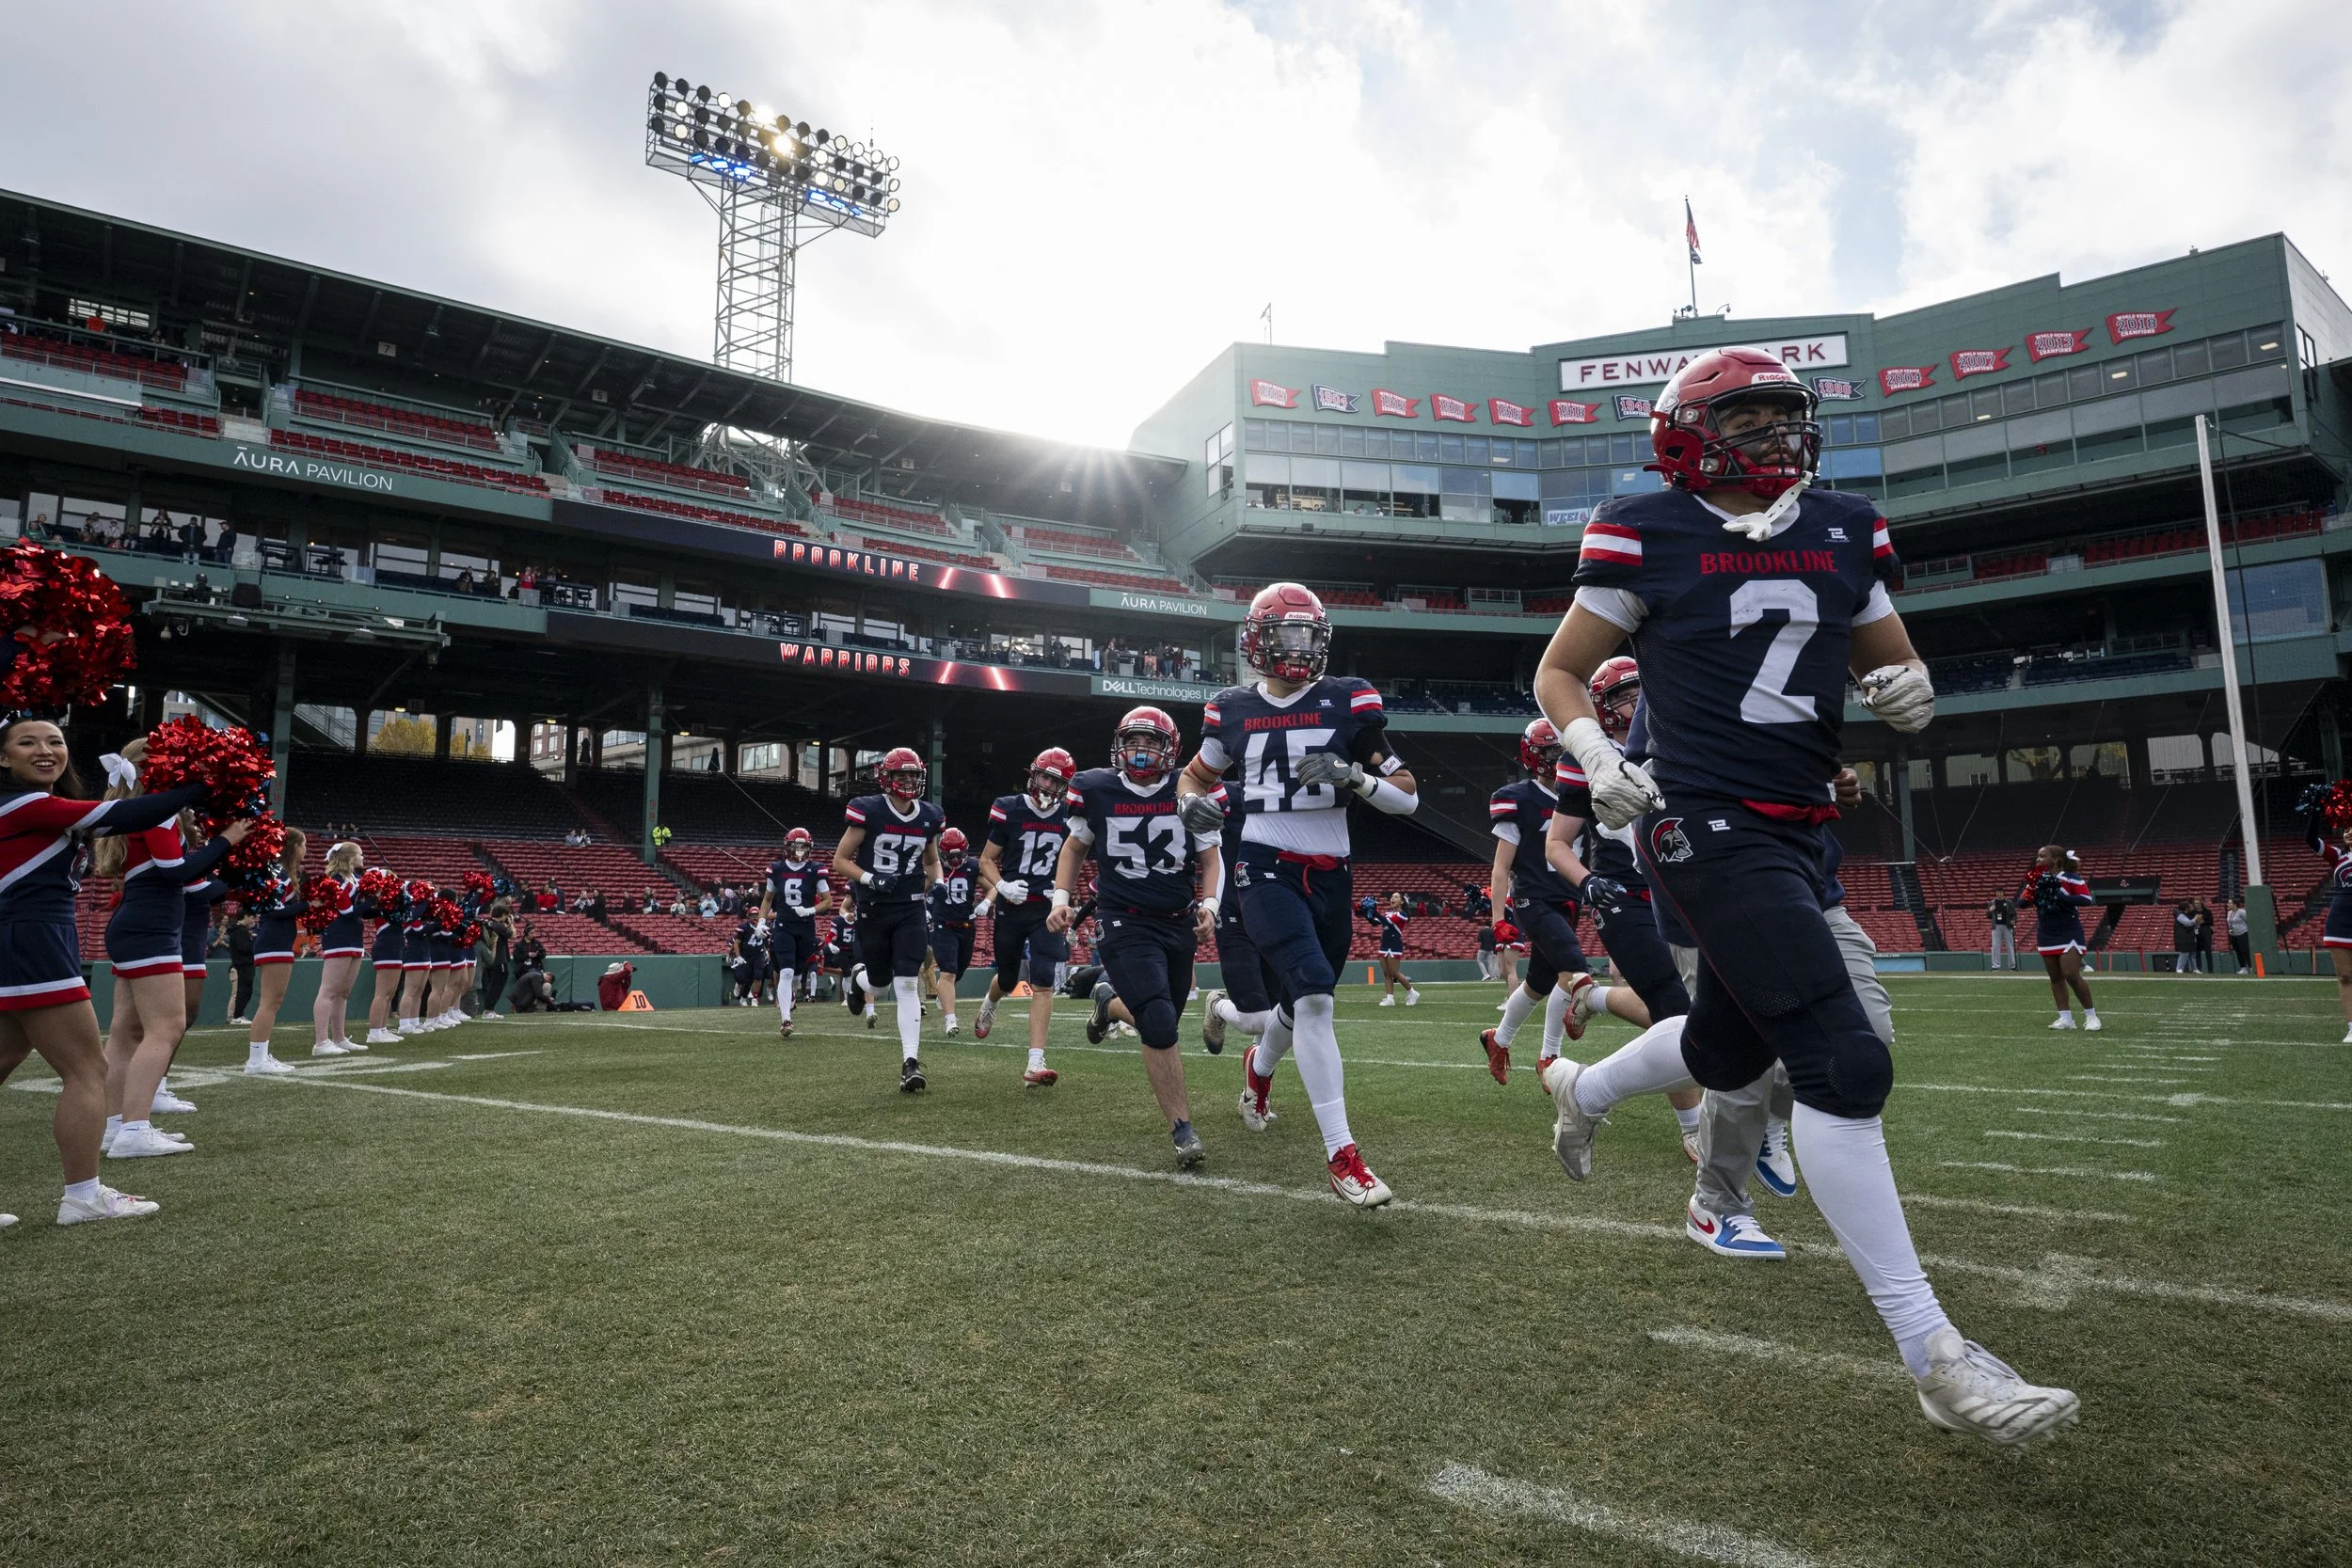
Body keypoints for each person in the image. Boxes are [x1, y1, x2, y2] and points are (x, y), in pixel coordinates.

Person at [1531, 345, 2076, 1443]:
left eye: (1789, 417)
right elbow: (1557, 671)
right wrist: (1593, 752)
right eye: (1753, 420)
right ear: (1689, 432)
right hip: (1699, 821)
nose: (1780, 437)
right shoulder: (1644, 524)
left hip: (1799, 825)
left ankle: (1582, 1089)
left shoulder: (1843, 523)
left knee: (1731, 1048)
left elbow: (1891, 662)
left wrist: (1908, 690)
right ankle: (1934, 1354)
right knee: (1843, 1058)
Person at [1176, 582, 1420, 1208]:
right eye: (1284, 634)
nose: (1296, 646)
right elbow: (1195, 778)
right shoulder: (1231, 707)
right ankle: (1344, 1157)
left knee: (1300, 1002)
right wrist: (1191, 808)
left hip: (1331, 872)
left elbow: (1408, 793)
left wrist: (1354, 775)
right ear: (1258, 640)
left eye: (1306, 634)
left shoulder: (1347, 698)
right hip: (1263, 865)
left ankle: (1256, 1069)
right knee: (1314, 996)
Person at [0, 717, 207, 1225]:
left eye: (55, 741)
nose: (45, 750)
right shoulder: (23, 802)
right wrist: (203, 782)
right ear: (3, 758)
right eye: (27, 742)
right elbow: (133, 812)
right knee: (87, 1070)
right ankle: (83, 1196)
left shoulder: (34, 806)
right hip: (33, 940)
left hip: (22, 938)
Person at [1542, 661, 1708, 1158]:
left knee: (1704, 1011)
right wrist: (1588, 882)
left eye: (1637, 692)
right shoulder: (1586, 757)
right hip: (1623, 897)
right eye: (1618, 698)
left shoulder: (1681, 741)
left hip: (1681, 891)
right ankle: (1693, 1127)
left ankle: (1593, 1000)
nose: (1632, 706)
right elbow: (1556, 844)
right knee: (1673, 1010)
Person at [1052, 706, 1221, 1168]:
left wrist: (1210, 905)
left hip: (1177, 918)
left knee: (1164, 1009)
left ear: (1172, 750)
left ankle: (1107, 1002)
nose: (1141, 751)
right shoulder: (1095, 787)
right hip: (1122, 917)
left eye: (1151, 743)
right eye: (1133, 741)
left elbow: (1209, 858)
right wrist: (1059, 898)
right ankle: (1182, 1128)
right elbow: (1074, 846)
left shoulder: (1191, 788)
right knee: (1161, 1022)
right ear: (1118, 745)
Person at [91, 746, 248, 1159]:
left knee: (127, 1034)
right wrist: (225, 841)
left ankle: (115, 1127)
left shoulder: (135, 808)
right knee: (165, 1028)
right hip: (151, 926)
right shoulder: (155, 811)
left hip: (135, 923)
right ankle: (134, 1130)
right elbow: (175, 872)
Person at [1480, 718, 1595, 1083]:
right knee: (1574, 969)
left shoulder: (1580, 794)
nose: (1557, 757)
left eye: (1561, 750)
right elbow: (1501, 868)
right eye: (1549, 751)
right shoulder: (1519, 798)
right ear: (1532, 756)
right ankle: (1549, 1057)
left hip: (1568, 898)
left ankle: (1498, 1038)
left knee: (1540, 983)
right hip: (1534, 898)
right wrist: (1498, 917)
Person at [830, 748, 945, 1091]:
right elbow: (840, 860)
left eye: (913, 775)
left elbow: (932, 860)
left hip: (910, 905)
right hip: (875, 907)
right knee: (879, 984)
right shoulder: (870, 809)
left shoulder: (929, 815)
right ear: (887, 778)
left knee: (907, 980)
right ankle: (859, 980)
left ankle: (910, 1063)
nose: (908, 781)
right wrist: (869, 879)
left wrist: (938, 883)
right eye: (901, 775)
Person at [974, 746, 1079, 1087]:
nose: (1049, 785)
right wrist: (1002, 887)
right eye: (1046, 776)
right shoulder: (1010, 808)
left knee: (1044, 978)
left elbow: (1075, 856)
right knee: (1007, 978)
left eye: (1057, 780)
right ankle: (990, 1003)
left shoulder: (1069, 815)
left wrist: (1062, 893)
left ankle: (1035, 1062)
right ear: (1034, 775)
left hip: (1046, 906)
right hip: (1012, 904)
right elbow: (986, 860)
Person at [243, 829, 310, 1072]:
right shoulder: (278, 873)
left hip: (278, 940)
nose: (306, 850)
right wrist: (307, 905)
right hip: (273, 940)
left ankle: (261, 1055)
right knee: (270, 1001)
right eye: (303, 845)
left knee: (273, 1001)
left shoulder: (284, 873)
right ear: (293, 847)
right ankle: (256, 1059)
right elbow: (270, 911)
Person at [757, 827, 831, 1038]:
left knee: (798, 972)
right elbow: (767, 899)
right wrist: (762, 922)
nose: (799, 850)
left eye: (803, 846)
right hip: (784, 925)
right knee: (787, 971)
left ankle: (791, 998)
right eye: (795, 846)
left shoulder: (816, 869)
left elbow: (828, 901)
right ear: (787, 847)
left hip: (806, 926)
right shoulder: (776, 869)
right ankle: (786, 1020)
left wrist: (810, 909)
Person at [2027, 845, 2100, 1030]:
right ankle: (2066, 1018)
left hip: (2069, 931)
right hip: (2046, 932)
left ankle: (2091, 1017)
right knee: (2055, 977)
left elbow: (2086, 899)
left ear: (2056, 860)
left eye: (2042, 856)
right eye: (2037, 856)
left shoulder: (2070, 878)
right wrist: (2035, 893)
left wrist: (2058, 895)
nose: (2038, 859)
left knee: (2071, 974)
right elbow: (2022, 902)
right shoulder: (2037, 879)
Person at [309, 840, 368, 1055]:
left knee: (344, 992)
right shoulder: (336, 881)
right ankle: (321, 1042)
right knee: (329, 991)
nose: (363, 858)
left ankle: (339, 1037)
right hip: (338, 936)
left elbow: (361, 912)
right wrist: (373, 901)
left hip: (354, 936)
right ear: (350, 858)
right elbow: (347, 912)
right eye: (360, 854)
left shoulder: (356, 878)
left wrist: (383, 905)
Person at [2303, 786, 2352, 1037]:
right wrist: (2315, 812)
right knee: (2345, 976)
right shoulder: (2339, 858)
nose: (2349, 832)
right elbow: (2311, 840)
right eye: (2346, 829)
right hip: (2341, 918)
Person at [927, 828, 977, 1036]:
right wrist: (924, 910)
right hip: (943, 926)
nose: (956, 860)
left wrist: (988, 901)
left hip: (966, 926)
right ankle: (950, 1020)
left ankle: (943, 994)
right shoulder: (934, 868)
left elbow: (991, 886)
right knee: (948, 971)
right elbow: (916, 890)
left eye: (959, 855)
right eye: (951, 856)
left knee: (959, 971)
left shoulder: (973, 866)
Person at [361, 868, 407, 1045]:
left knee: (389, 992)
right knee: (382, 993)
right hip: (387, 946)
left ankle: (382, 1028)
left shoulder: (390, 903)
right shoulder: (384, 904)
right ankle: (374, 1032)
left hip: (393, 946)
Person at [1375, 892, 1418, 1006]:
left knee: (1394, 973)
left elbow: (1387, 922)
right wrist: (1366, 914)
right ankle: (1390, 998)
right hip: (1384, 944)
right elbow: (1375, 922)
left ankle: (1412, 992)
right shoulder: (1388, 913)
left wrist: (1374, 912)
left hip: (1394, 945)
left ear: (1402, 901)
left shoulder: (1402, 914)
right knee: (1386, 973)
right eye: (1392, 897)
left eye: (1396, 897)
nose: (1392, 899)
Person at [475, 897, 514, 1019]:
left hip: (489, 959)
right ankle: (488, 1010)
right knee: (497, 985)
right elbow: (513, 935)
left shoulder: (488, 923)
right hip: (499, 959)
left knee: (491, 985)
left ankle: (488, 1009)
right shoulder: (498, 926)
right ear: (502, 915)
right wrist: (511, 923)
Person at [226, 910, 257, 1023]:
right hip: (243, 965)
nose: (253, 921)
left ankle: (238, 1015)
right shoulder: (240, 931)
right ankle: (237, 1016)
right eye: (252, 918)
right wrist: (253, 944)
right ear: (245, 916)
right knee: (242, 991)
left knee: (245, 991)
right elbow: (243, 948)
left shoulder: (240, 931)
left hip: (243, 964)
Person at [1986, 892, 2018, 970]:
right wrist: (1990, 910)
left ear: (2003, 893)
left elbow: (2014, 913)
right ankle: (1995, 966)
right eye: (1998, 892)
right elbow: (1988, 916)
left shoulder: (2009, 902)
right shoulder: (1992, 903)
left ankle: (2012, 966)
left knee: (2010, 946)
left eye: (2001, 892)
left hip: (2007, 926)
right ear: (1996, 894)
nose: (1999, 894)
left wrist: (2014, 920)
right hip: (1996, 926)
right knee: (1995, 946)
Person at [2171, 898, 2201, 976]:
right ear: (2186, 908)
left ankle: (2194, 969)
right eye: (2189, 906)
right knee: (2184, 952)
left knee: (2192, 953)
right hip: (2183, 936)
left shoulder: (2188, 914)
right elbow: (2188, 923)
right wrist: (2195, 919)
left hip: (2189, 936)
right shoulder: (2180, 915)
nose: (2191, 907)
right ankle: (2179, 968)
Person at [2227, 895, 2250, 974]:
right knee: (2238, 951)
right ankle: (2243, 968)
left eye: (2230, 903)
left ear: (2235, 904)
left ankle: (2251, 966)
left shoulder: (2241, 912)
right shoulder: (2229, 913)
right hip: (2233, 935)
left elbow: (2248, 921)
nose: (2228, 905)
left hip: (2242, 933)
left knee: (2245, 951)